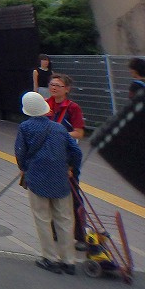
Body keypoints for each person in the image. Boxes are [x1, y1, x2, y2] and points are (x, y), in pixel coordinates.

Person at [15, 91, 82, 275]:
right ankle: (69, 261)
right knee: (65, 219)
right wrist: (71, 168)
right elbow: (76, 152)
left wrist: (23, 167)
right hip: (61, 179)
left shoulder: (25, 127)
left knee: (43, 219)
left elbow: (20, 152)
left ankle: (50, 259)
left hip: (37, 178)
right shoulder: (59, 128)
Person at [45, 72, 86, 248]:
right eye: (52, 84)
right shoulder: (45, 105)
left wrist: (60, 134)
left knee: (73, 194)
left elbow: (79, 132)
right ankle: (54, 231)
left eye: (58, 85)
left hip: (68, 155)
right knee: (49, 193)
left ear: (67, 89)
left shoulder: (72, 108)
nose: (53, 87)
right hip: (48, 154)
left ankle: (81, 235)